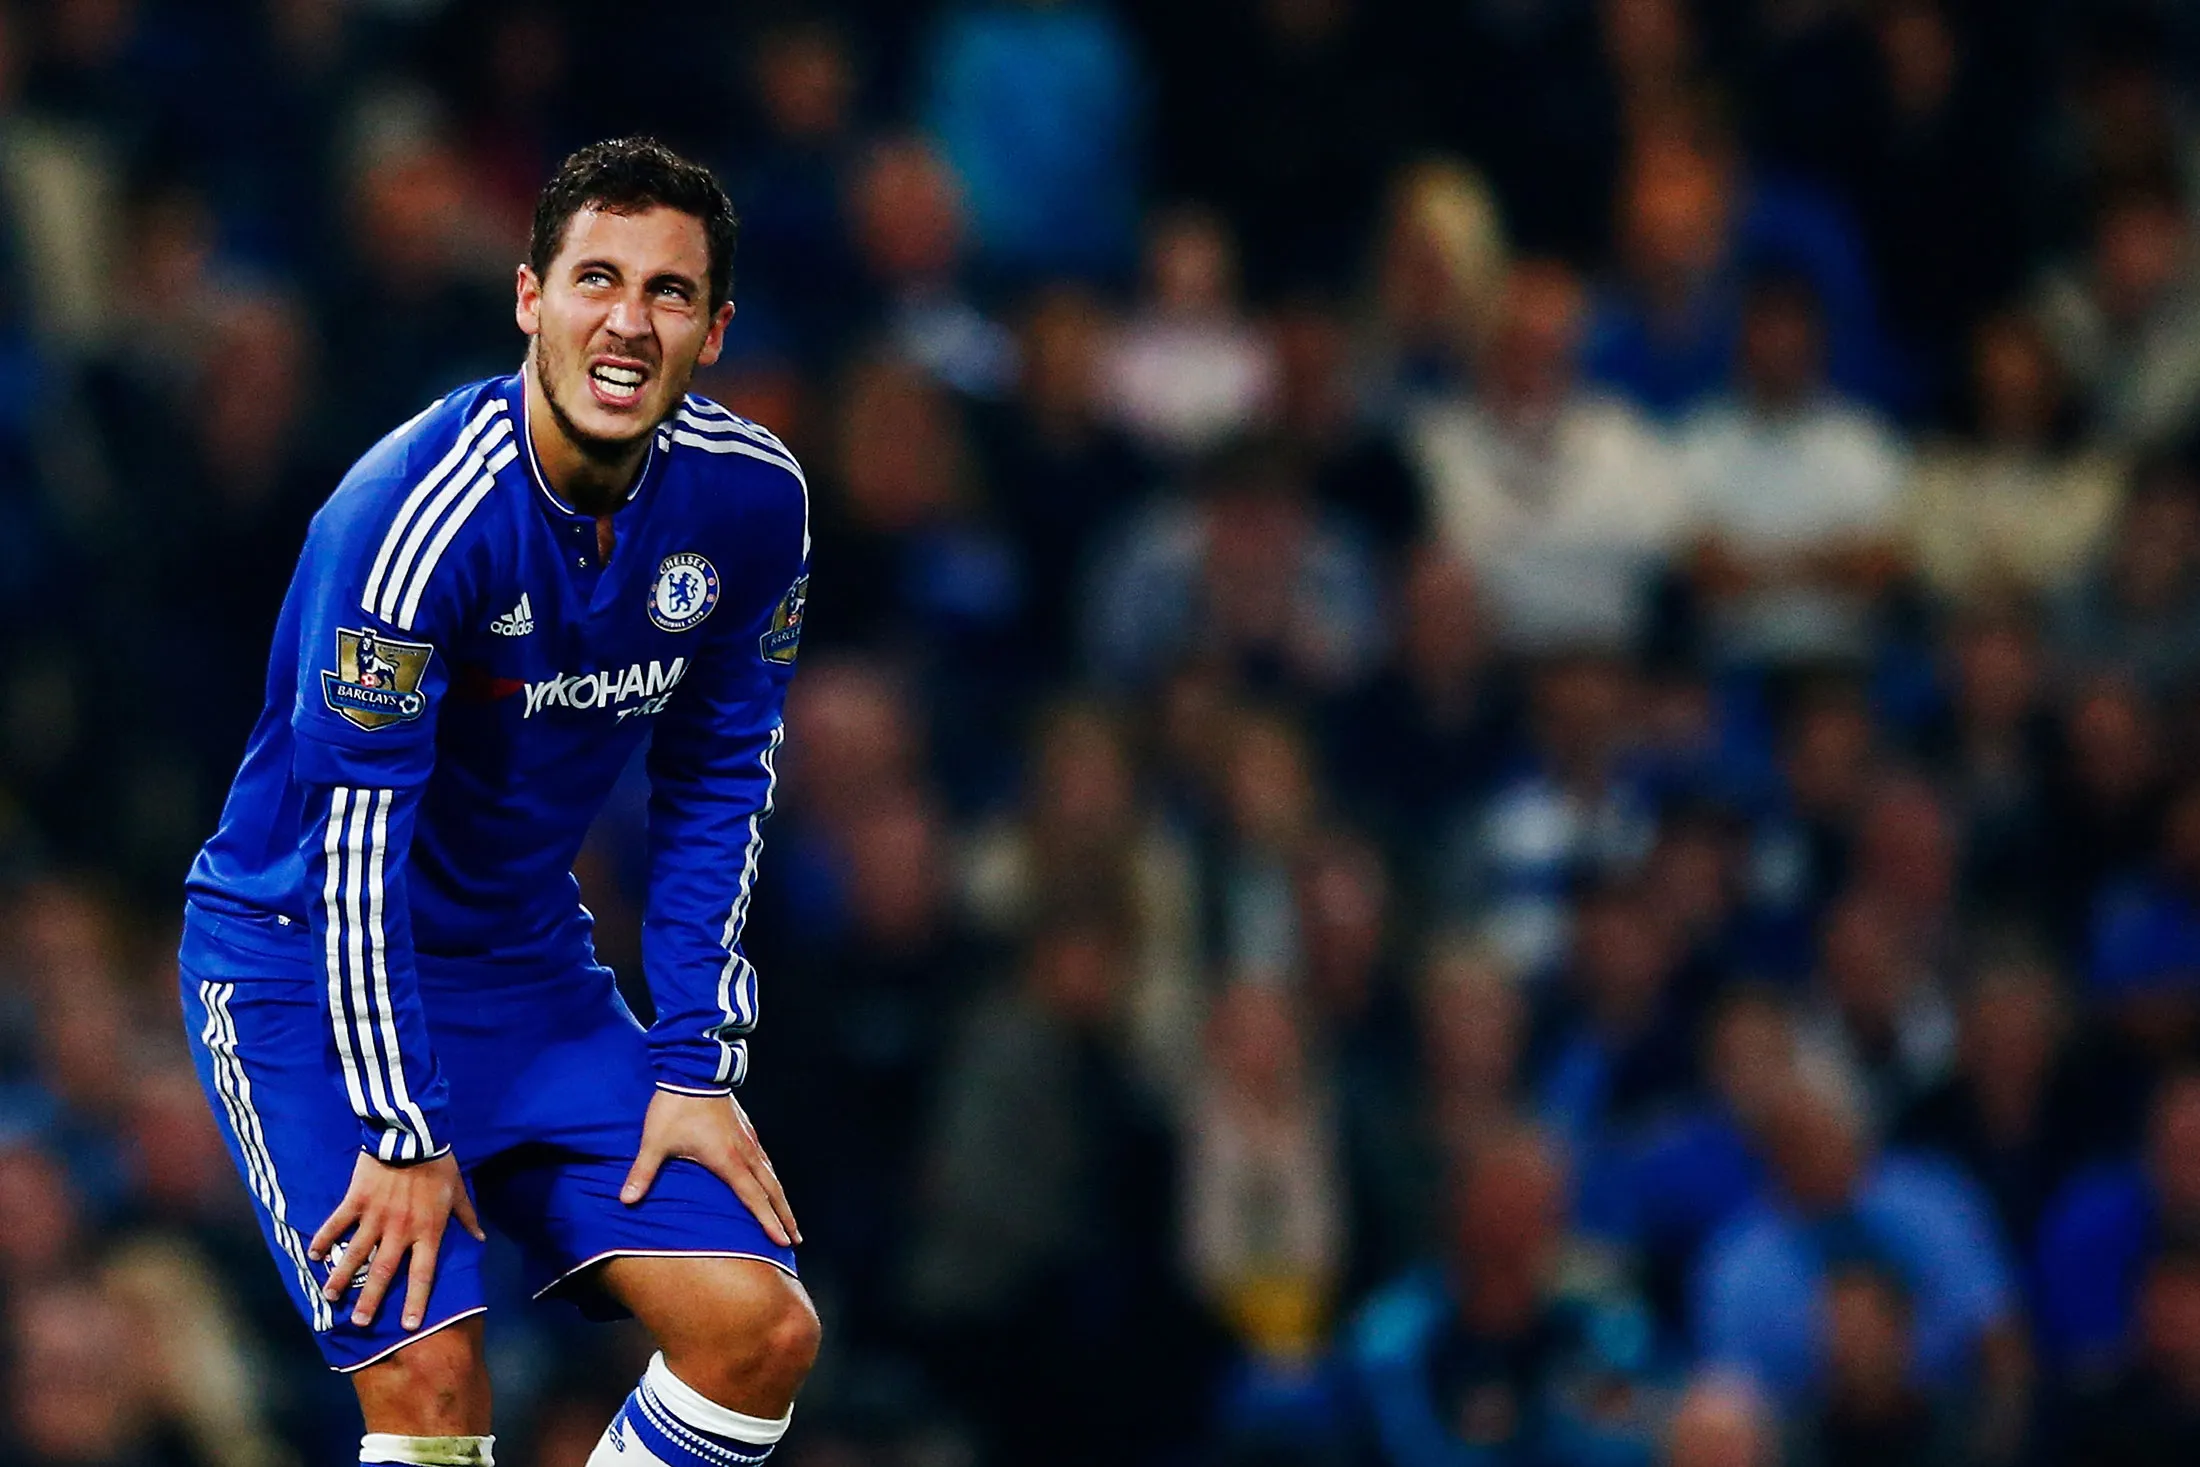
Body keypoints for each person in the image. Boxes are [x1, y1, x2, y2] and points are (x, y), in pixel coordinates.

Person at [176, 139, 819, 1467]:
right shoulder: (409, 518)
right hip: (307, 972)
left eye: (669, 291)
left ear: (714, 331)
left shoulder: (753, 502)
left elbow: (720, 775)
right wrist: (403, 1127)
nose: (628, 321)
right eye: (596, 279)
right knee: (432, 1381)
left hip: (525, 970)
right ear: (530, 297)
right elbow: (353, 848)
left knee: (759, 1334)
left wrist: (693, 1059)